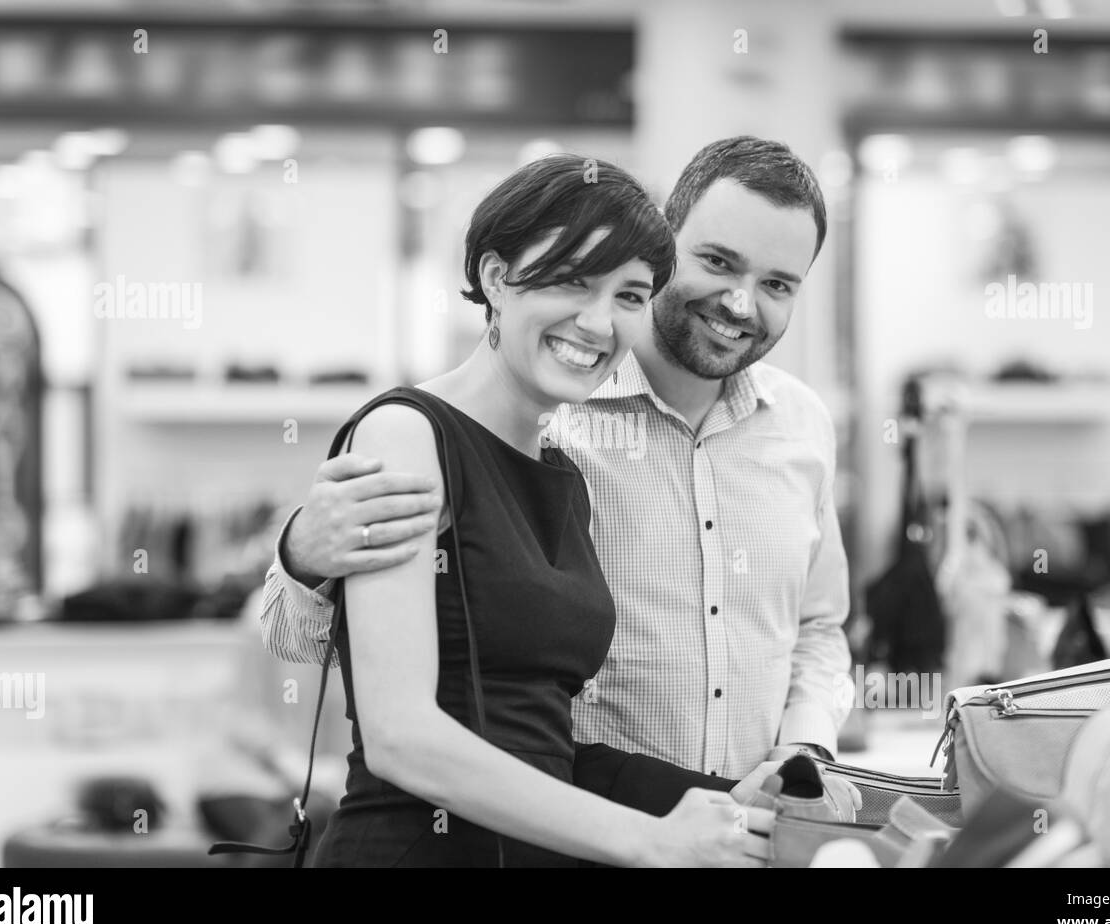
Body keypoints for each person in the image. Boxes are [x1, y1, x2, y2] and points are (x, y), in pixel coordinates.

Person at [266, 137, 858, 818]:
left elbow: (819, 628)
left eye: (777, 284)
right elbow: (312, 648)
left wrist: (806, 750)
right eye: (718, 262)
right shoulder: (543, 423)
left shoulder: (803, 427)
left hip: (740, 834)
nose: (742, 304)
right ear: (668, 243)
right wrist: (305, 554)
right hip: (558, 831)